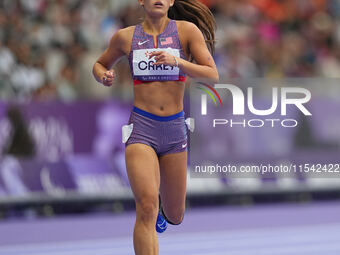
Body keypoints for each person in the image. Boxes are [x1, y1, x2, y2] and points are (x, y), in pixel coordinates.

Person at [92, 0, 218, 254]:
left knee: (175, 214)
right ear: (141, 1)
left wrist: (178, 62)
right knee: (146, 206)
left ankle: (165, 212)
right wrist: (103, 75)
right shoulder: (125, 36)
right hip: (142, 128)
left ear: (171, 1)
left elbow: (212, 74)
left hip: (174, 131)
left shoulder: (186, 31)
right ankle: (153, 211)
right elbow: (100, 64)